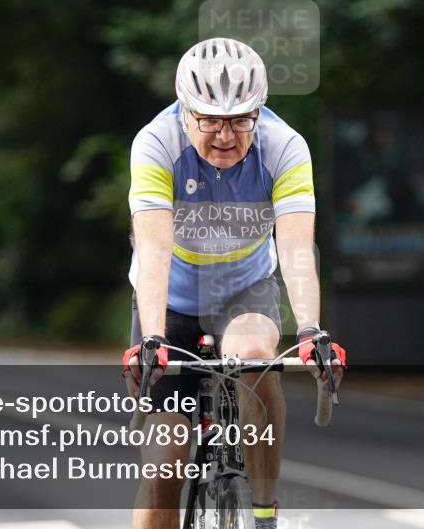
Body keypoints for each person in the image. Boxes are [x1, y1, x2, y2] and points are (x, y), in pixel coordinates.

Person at [122, 38, 347, 529]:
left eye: (241, 120)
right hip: (171, 302)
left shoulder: (284, 147)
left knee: (256, 359)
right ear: (185, 112)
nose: (225, 135)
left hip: (246, 291)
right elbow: (154, 251)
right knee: (164, 466)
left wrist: (311, 330)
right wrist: (153, 339)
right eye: (209, 120)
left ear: (259, 112)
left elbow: (296, 250)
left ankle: (264, 514)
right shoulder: (156, 143)